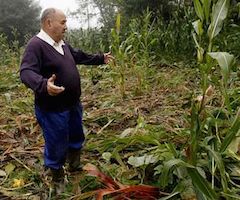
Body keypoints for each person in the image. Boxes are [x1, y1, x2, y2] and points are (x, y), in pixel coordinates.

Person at [20, 7, 114, 194]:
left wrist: (100, 58)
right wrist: (43, 84)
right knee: (56, 142)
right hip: (52, 109)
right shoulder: (36, 45)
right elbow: (26, 72)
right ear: (49, 23)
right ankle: (57, 177)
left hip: (72, 104)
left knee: (76, 133)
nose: (66, 27)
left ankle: (74, 164)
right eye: (62, 22)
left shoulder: (61, 44)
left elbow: (79, 55)